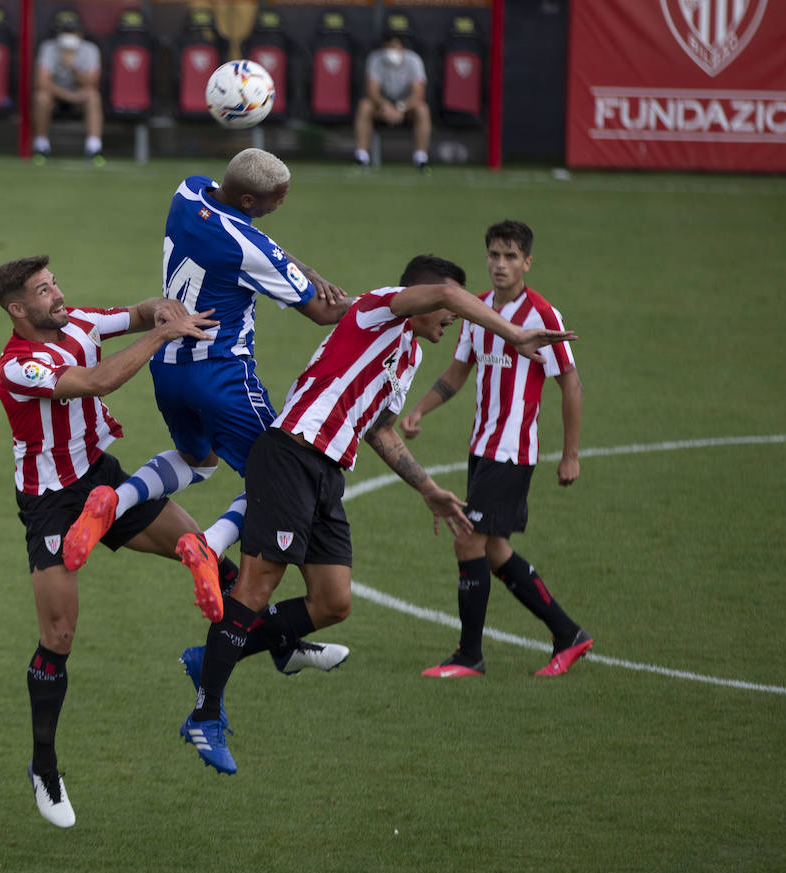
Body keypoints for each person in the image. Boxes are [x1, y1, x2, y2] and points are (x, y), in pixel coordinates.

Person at [180, 254, 578, 774]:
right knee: (256, 588)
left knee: (333, 601)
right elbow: (449, 296)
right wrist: (513, 333)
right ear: (425, 296)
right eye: (445, 307)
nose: (452, 317)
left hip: (326, 474)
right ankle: (205, 714)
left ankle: (213, 656)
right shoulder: (378, 309)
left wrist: (428, 488)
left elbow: (379, 429)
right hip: (292, 453)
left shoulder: (408, 353)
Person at [63, 148, 353, 681]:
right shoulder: (249, 246)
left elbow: (263, 246)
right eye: (275, 199)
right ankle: (210, 541)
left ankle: (116, 497)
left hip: (169, 366)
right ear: (249, 200)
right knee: (285, 477)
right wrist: (381, 306)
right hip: (223, 376)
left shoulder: (187, 191)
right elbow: (321, 312)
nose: (282, 204)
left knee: (199, 459)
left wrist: (298, 265)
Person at [0, 255, 221, 828]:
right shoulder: (18, 366)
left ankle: (282, 633)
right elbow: (97, 380)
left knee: (201, 550)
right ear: (18, 310)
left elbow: (136, 314)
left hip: (102, 481)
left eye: (54, 283)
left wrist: (160, 311)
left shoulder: (81, 321)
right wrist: (161, 335)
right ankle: (44, 766)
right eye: (43, 291)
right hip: (51, 504)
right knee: (60, 634)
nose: (57, 294)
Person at [400, 221, 592, 679]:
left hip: (512, 450)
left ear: (527, 262)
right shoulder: (477, 309)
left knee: (467, 539)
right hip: (481, 447)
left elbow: (571, 384)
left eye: (510, 256)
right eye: (493, 255)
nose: (500, 264)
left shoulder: (542, 315)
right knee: (494, 551)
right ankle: (569, 634)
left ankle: (470, 656)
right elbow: (458, 371)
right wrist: (419, 411)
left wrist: (570, 453)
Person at [31, 10, 104, 165]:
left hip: (80, 97)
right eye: (65, 32)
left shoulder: (90, 49)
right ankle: (41, 147)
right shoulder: (49, 48)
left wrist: (72, 66)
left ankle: (93, 148)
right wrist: (68, 95)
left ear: (80, 34)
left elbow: (92, 83)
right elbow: (42, 82)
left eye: (72, 32)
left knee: (93, 97)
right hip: (56, 96)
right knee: (41, 97)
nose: (68, 36)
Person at [353, 28, 431, 172]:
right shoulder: (375, 58)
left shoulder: (413, 60)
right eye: (388, 46)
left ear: (402, 46)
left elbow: (418, 94)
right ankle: (361, 158)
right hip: (382, 108)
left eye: (395, 46)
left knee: (422, 109)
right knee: (365, 105)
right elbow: (372, 91)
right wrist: (385, 105)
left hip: (406, 109)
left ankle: (421, 159)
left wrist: (401, 107)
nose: (391, 50)